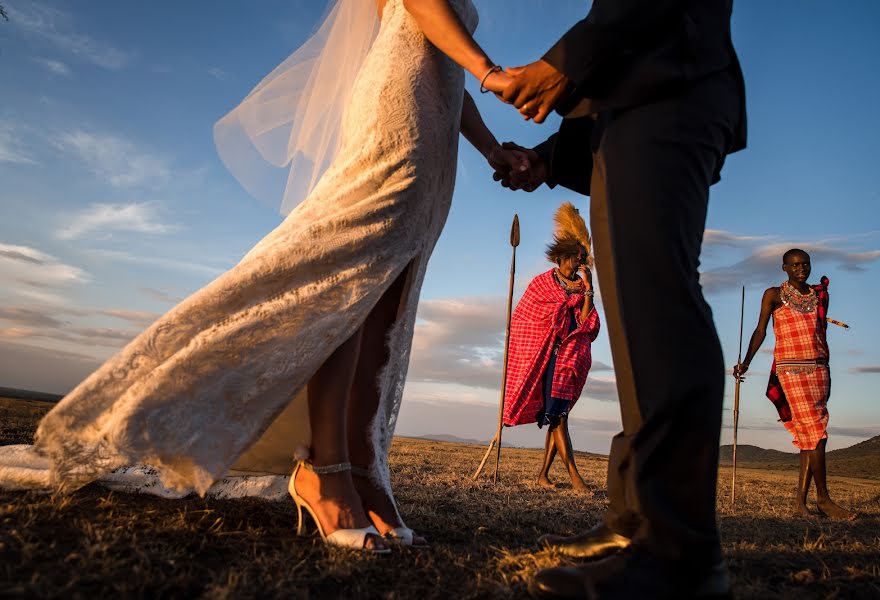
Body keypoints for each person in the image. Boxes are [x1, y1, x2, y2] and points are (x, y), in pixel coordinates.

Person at [0, 0, 530, 553]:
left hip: (437, 131)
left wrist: (491, 147)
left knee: (390, 303)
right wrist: (491, 71)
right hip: (399, 111)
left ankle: (367, 469)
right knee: (345, 282)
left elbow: (444, 58)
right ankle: (328, 469)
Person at [489, 0, 748, 597]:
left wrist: (561, 65)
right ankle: (636, 517)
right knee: (635, 318)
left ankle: (681, 551)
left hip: (673, 90)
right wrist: (548, 158)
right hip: (629, 111)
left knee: (660, 307)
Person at [733, 249, 854, 520]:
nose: (802, 268)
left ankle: (801, 504)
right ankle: (824, 499)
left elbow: (819, 330)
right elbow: (761, 330)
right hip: (791, 370)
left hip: (819, 368)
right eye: (795, 264)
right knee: (816, 435)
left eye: (805, 264)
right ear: (784, 267)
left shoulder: (819, 295)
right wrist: (746, 362)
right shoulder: (773, 294)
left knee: (811, 436)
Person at [503, 203, 599, 494]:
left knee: (560, 415)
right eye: (574, 258)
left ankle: (543, 475)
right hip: (548, 357)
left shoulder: (581, 288)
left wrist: (589, 286)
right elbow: (525, 318)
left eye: (582, 260)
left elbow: (586, 322)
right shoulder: (543, 284)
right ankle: (575, 478)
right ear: (561, 256)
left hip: (571, 358)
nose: (577, 264)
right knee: (557, 416)